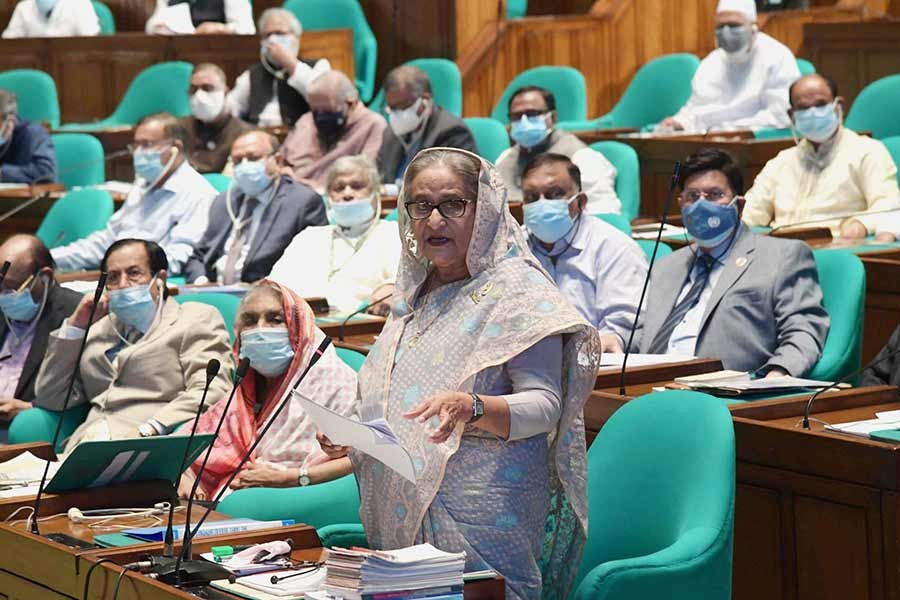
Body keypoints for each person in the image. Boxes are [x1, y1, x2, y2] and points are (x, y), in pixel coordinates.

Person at [319, 148, 600, 599]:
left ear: (484, 210)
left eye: (452, 204)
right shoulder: (414, 294)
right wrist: (351, 434)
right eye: (421, 205)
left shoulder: (518, 292)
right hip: (399, 521)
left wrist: (472, 406)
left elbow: (545, 406)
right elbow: (388, 393)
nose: (434, 220)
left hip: (482, 513)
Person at [634, 148, 829, 376]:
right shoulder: (666, 266)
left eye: (714, 194)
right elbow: (642, 334)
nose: (701, 205)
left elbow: (803, 330)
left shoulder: (782, 257)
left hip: (724, 393)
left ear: (739, 204)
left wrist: (779, 372)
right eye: (692, 197)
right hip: (647, 389)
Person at [33, 239, 233, 451]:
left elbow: (212, 390)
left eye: (134, 273)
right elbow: (51, 398)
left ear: (160, 279)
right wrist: (75, 326)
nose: (123, 284)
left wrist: (152, 428)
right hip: (83, 447)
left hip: (147, 447)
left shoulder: (194, 318)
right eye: (113, 277)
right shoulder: (99, 330)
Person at [178, 281, 357, 500]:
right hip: (235, 500)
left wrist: (292, 477)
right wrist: (184, 474)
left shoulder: (335, 382)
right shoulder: (248, 387)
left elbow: (364, 458)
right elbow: (186, 443)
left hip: (302, 496)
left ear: (299, 327)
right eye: (251, 321)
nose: (261, 329)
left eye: (275, 320)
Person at [51, 113, 217, 274]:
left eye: (147, 144)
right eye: (136, 145)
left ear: (176, 148)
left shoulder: (198, 194)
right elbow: (107, 241)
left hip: (151, 283)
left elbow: (178, 258)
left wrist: (124, 270)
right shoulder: (141, 187)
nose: (138, 152)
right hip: (120, 273)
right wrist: (50, 258)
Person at [742, 73, 900, 240]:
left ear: (839, 106)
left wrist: (860, 224)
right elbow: (751, 213)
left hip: (839, 248)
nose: (812, 113)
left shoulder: (867, 151)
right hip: (784, 252)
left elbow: (887, 204)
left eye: (820, 104)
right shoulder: (781, 162)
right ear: (792, 115)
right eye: (803, 107)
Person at [521, 153, 647, 353]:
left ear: (580, 201)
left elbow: (623, 328)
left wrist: (609, 341)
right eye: (531, 197)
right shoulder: (514, 247)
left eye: (554, 194)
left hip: (593, 365)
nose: (541, 204)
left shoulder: (615, 248)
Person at [184, 130, 327, 285]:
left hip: (267, 297)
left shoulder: (302, 203)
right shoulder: (224, 201)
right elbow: (198, 256)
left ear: (278, 161)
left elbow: (311, 263)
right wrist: (201, 280)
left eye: (253, 158)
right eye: (238, 161)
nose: (244, 166)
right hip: (213, 292)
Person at [270, 155, 399, 315]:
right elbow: (274, 287)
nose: (347, 194)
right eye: (339, 188)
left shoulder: (391, 234)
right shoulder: (309, 237)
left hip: (359, 328)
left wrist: (391, 287)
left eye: (357, 186)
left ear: (375, 192)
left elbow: (401, 281)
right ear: (329, 197)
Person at [658, 0, 799, 132]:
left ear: (753, 29)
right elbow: (695, 109)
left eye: (733, 25)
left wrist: (728, 130)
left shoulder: (777, 56)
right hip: (710, 141)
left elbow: (780, 115)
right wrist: (679, 122)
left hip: (752, 142)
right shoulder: (711, 62)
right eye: (720, 26)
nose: (726, 31)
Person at [0, 235, 81, 441]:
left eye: (10, 287)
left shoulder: (76, 315)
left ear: (44, 277)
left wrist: (31, 408)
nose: (2, 295)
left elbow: (84, 388)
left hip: (24, 428)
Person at [495, 86, 620, 214]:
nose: (524, 122)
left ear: (553, 117)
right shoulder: (505, 159)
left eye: (532, 114)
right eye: (516, 116)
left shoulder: (582, 157)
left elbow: (603, 213)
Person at [281, 71, 386, 193]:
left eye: (327, 111)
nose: (320, 117)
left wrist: (304, 184)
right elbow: (280, 161)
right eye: (315, 111)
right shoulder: (306, 121)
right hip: (289, 191)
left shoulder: (373, 125)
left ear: (351, 103)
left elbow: (364, 177)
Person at [227, 8, 331, 128]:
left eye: (279, 33)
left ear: (295, 38)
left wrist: (290, 63)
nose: (272, 39)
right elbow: (232, 107)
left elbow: (323, 99)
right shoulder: (252, 73)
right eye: (267, 35)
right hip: (258, 136)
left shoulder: (318, 66)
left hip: (300, 137)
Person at [376, 65, 476, 185]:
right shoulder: (390, 133)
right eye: (392, 108)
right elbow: (378, 178)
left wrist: (394, 191)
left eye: (402, 106)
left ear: (425, 99)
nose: (397, 114)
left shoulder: (452, 131)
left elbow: (457, 184)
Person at [178, 63, 252, 174]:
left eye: (207, 88)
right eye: (193, 89)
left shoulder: (244, 134)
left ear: (225, 92)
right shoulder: (178, 127)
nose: (199, 95)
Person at [0, 90, 56, 184]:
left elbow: (46, 173)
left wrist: (2, 173)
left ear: (10, 120)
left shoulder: (34, 134)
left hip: (27, 198)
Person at [146, 0, 254, 34]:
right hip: (181, 48)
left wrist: (221, 28)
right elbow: (151, 26)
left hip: (217, 52)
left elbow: (247, 28)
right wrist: (160, 27)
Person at [2, 0, 99, 37]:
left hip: (73, 68)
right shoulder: (23, 7)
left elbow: (90, 42)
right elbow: (9, 43)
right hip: (33, 66)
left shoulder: (80, 4)